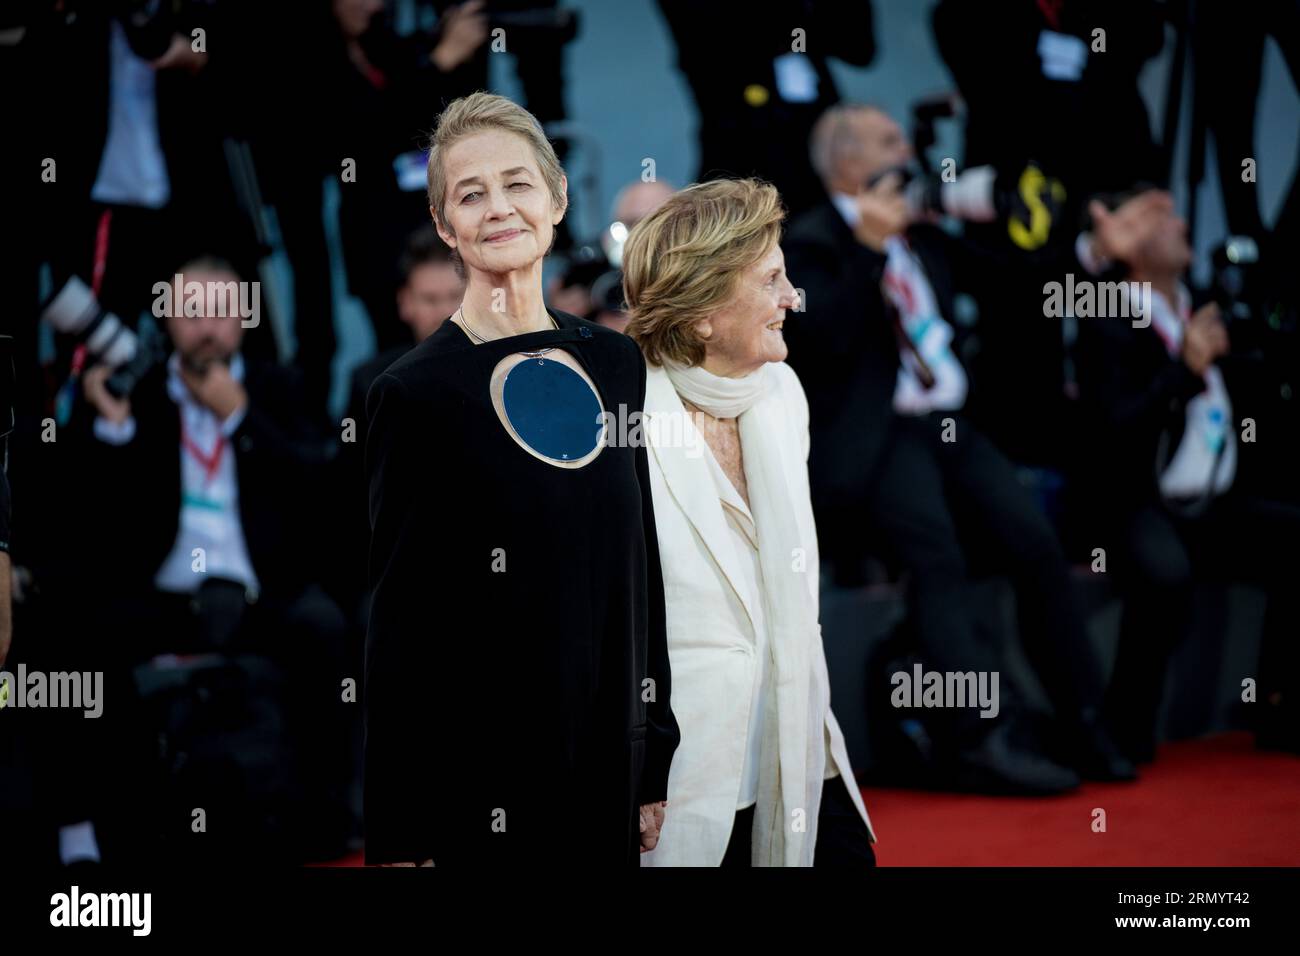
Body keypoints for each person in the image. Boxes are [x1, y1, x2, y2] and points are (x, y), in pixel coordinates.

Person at [363, 92, 679, 866]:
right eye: (471, 194)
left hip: (607, 758)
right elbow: (401, 626)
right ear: (444, 225)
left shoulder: (615, 362)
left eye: (518, 184)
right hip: (480, 776)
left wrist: (653, 754)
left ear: (558, 198)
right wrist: (403, 826)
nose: (499, 208)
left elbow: (640, 567)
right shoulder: (415, 393)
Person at [782, 104, 1135, 791]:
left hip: (950, 425)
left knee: (1033, 543)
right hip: (876, 437)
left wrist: (1088, 254)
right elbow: (818, 342)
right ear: (848, 162)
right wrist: (868, 248)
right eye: (889, 141)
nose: (907, 151)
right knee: (937, 558)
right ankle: (981, 738)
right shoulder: (811, 241)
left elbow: (1013, 284)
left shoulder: (926, 231)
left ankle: (1087, 721)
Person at [624, 178, 875, 867]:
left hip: (795, 749)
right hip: (687, 781)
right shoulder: (623, 423)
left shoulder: (781, 393)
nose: (792, 295)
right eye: (770, 280)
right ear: (703, 312)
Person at [75, 255, 353, 861]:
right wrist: (114, 434)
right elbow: (92, 522)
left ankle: (325, 813)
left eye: (224, 312)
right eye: (191, 312)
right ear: (167, 319)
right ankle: (91, 828)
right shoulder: (135, 389)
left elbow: (323, 488)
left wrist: (240, 418)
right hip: (164, 592)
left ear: (245, 320)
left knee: (330, 632)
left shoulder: (277, 386)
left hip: (263, 590)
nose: (208, 327)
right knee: (81, 644)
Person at [1076, 188, 1300, 761]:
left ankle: (1277, 704)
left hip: (1213, 498)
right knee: (1165, 573)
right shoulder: (1106, 315)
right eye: (1160, 217)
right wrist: (1184, 370)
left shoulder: (1200, 304)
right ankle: (1125, 728)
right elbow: (1112, 432)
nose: (1180, 225)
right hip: (1134, 499)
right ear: (1126, 240)